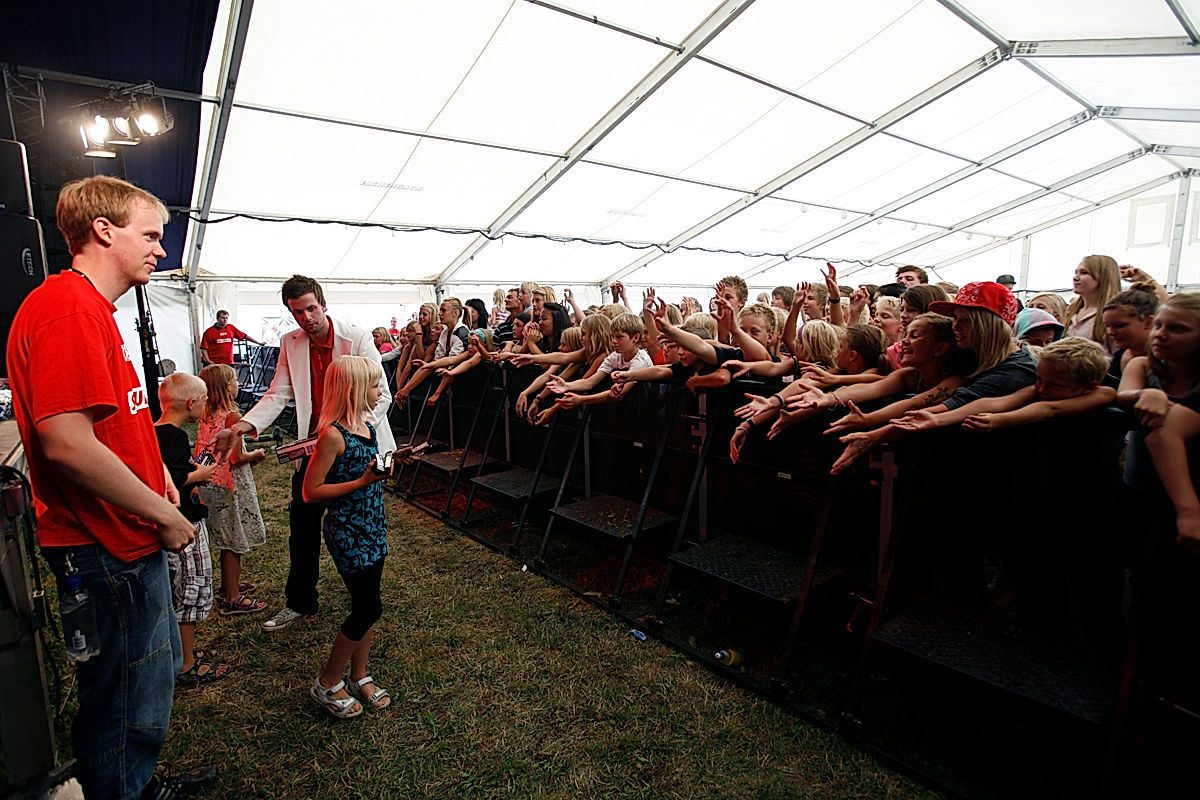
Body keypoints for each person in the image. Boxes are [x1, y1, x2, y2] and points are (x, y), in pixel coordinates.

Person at [6, 175, 212, 798]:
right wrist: (167, 515)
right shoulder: (69, 310)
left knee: (139, 686)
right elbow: (67, 444)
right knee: (126, 696)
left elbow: (118, 418)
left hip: (119, 538)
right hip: (104, 546)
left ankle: (134, 783)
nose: (160, 249)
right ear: (103, 230)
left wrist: (160, 478)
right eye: (149, 235)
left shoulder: (90, 309)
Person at [214, 274, 394, 633]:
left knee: (362, 523)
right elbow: (277, 393)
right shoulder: (290, 342)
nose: (306, 317)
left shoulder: (357, 337)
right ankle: (300, 601)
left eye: (311, 308)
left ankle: (365, 600)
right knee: (303, 528)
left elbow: (382, 395)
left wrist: (347, 435)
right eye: (297, 312)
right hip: (312, 447)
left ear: (323, 304)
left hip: (353, 449)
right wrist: (242, 427)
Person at [303, 356, 393, 718]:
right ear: (354, 389)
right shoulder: (332, 435)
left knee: (366, 604)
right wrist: (362, 481)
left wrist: (380, 472)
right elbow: (311, 491)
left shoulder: (367, 426)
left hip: (373, 525)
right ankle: (327, 681)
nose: (380, 391)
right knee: (368, 607)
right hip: (348, 532)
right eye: (374, 385)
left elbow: (364, 472)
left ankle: (358, 675)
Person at [154, 373, 229, 687]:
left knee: (177, 590)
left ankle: (180, 654)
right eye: (204, 400)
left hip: (170, 522)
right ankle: (186, 665)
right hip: (185, 524)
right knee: (190, 590)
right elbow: (172, 479)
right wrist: (201, 474)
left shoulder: (153, 431)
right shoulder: (173, 437)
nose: (206, 405)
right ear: (191, 403)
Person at [195, 364, 268, 617]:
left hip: (209, 481)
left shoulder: (204, 413)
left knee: (224, 535)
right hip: (230, 484)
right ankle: (232, 597)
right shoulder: (232, 417)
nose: (238, 383)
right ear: (228, 386)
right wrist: (257, 454)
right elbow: (237, 458)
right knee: (233, 541)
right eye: (235, 379)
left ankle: (229, 583)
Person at [1063, 255, 1120, 351]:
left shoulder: (1114, 314)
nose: (1075, 278)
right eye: (1076, 272)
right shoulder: (1071, 311)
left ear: (1103, 277)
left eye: (1084, 273)